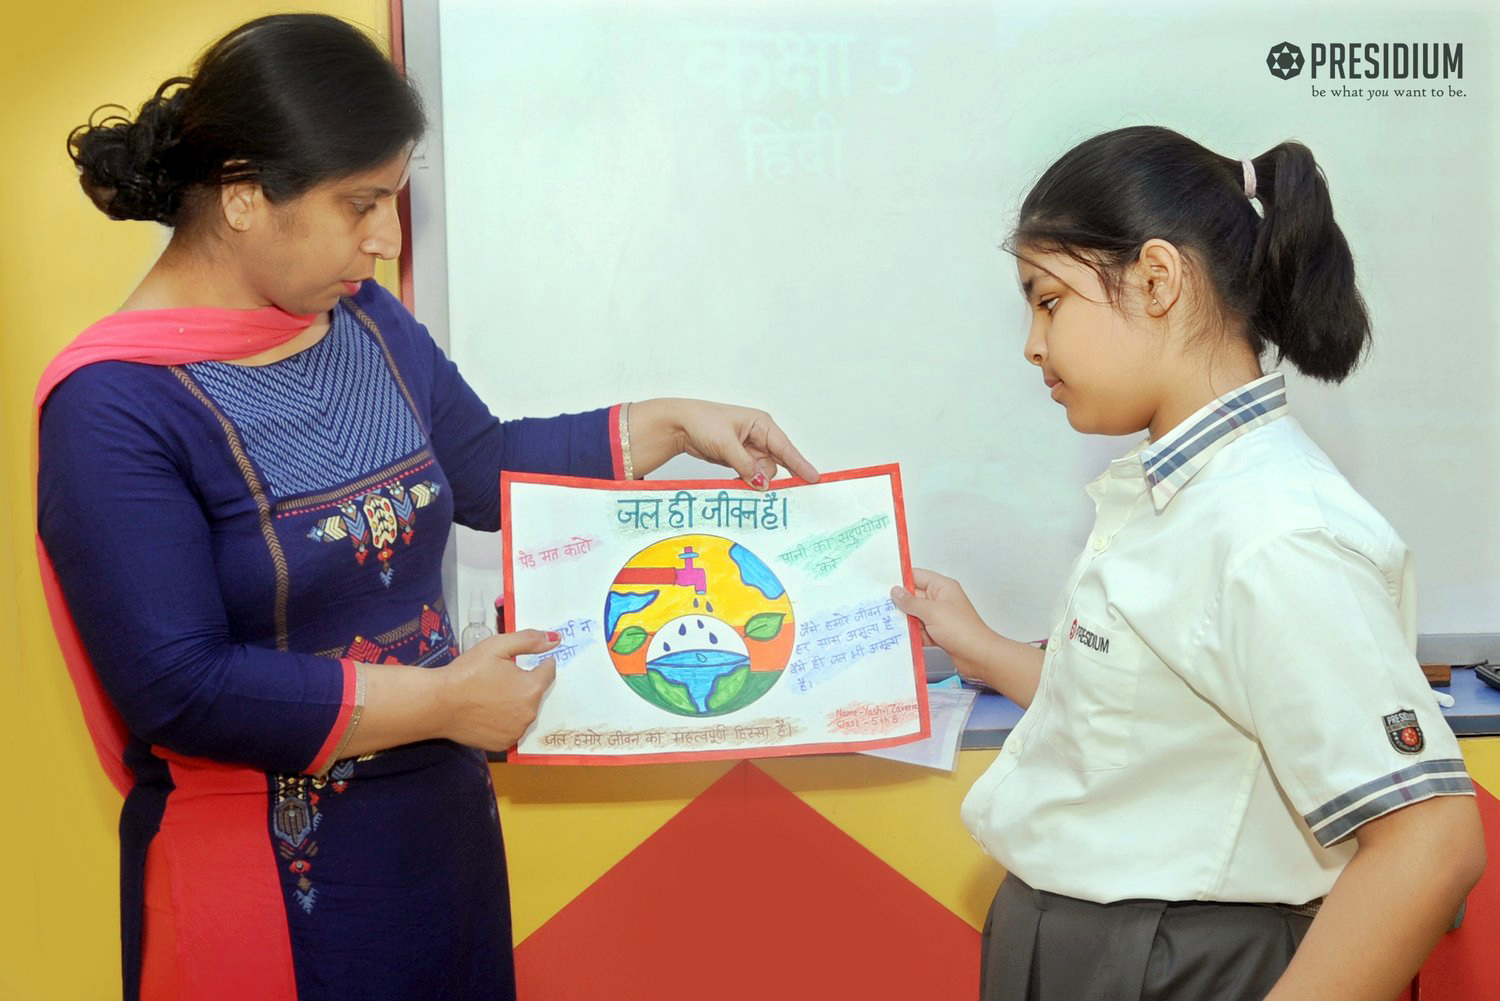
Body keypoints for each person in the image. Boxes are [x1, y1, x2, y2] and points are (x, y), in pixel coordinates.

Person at [36, 14, 817, 1001]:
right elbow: (178, 686)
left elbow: (481, 466)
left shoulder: (360, 316)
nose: (386, 236)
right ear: (242, 195)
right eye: (360, 201)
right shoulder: (112, 404)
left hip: (436, 842)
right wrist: (445, 699)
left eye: (393, 198)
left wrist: (672, 423)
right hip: (271, 876)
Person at [889, 126, 1484, 1001]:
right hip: (1099, 954)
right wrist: (985, 649)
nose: (1030, 343)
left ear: (1159, 279)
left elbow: (1431, 841)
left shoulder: (1276, 529)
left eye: (1048, 299)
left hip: (1179, 969)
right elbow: (1159, 716)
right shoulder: (1183, 493)